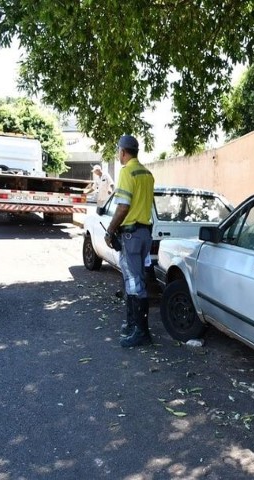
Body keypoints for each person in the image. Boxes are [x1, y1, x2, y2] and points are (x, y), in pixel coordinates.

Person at [105, 135, 155, 347]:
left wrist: (110, 230)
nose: (118, 155)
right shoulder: (147, 174)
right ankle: (132, 324)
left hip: (131, 235)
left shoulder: (127, 172)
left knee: (135, 284)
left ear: (123, 152)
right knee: (135, 280)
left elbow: (123, 206)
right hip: (144, 234)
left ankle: (142, 333)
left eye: (118, 151)